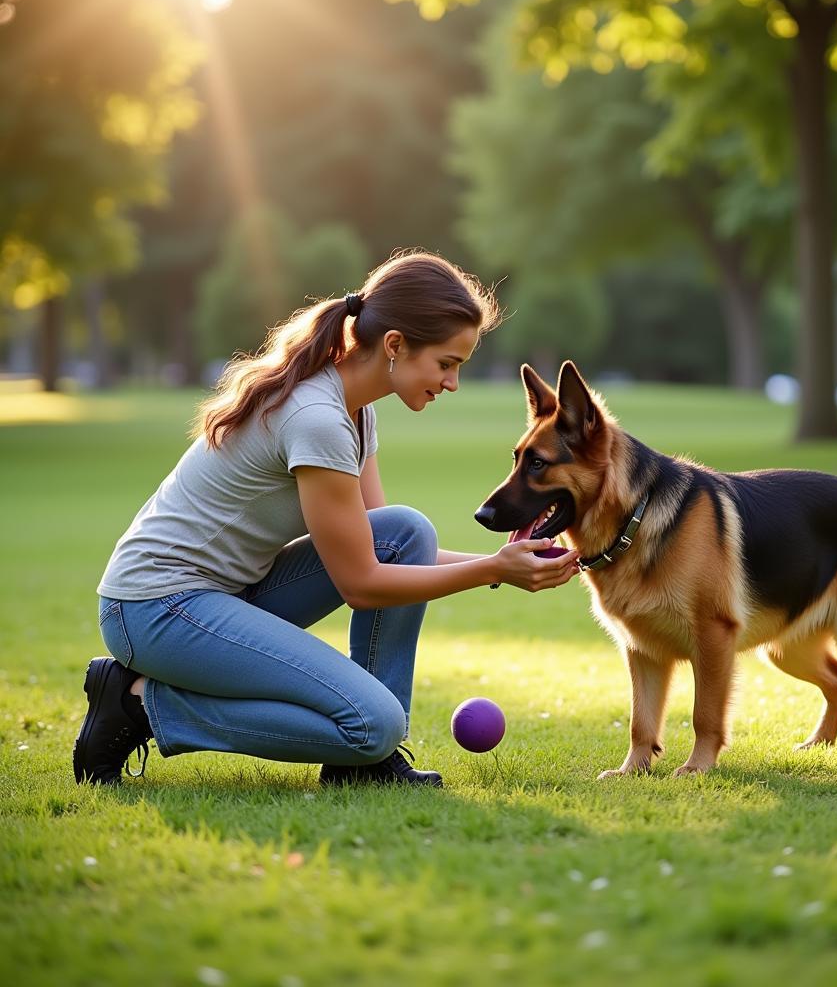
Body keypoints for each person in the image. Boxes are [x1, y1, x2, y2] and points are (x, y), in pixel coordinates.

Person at [74, 251, 579, 789]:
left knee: (406, 530)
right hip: (156, 606)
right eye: (447, 363)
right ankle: (137, 707)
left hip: (228, 594)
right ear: (394, 346)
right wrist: (490, 570)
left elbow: (384, 546)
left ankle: (366, 766)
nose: (451, 383)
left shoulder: (357, 411)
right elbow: (361, 583)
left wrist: (501, 564)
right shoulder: (317, 418)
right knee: (373, 724)